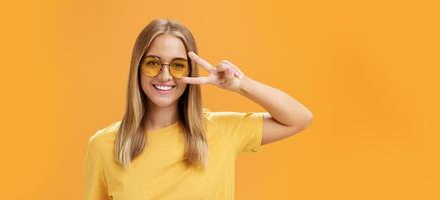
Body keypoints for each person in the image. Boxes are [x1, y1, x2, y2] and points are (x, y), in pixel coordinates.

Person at [83, 18, 313, 200]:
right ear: (137, 68)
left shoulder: (220, 131)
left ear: (191, 71)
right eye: (153, 63)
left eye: (178, 65)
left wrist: (241, 84)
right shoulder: (103, 146)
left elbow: (299, 118)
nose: (165, 75)